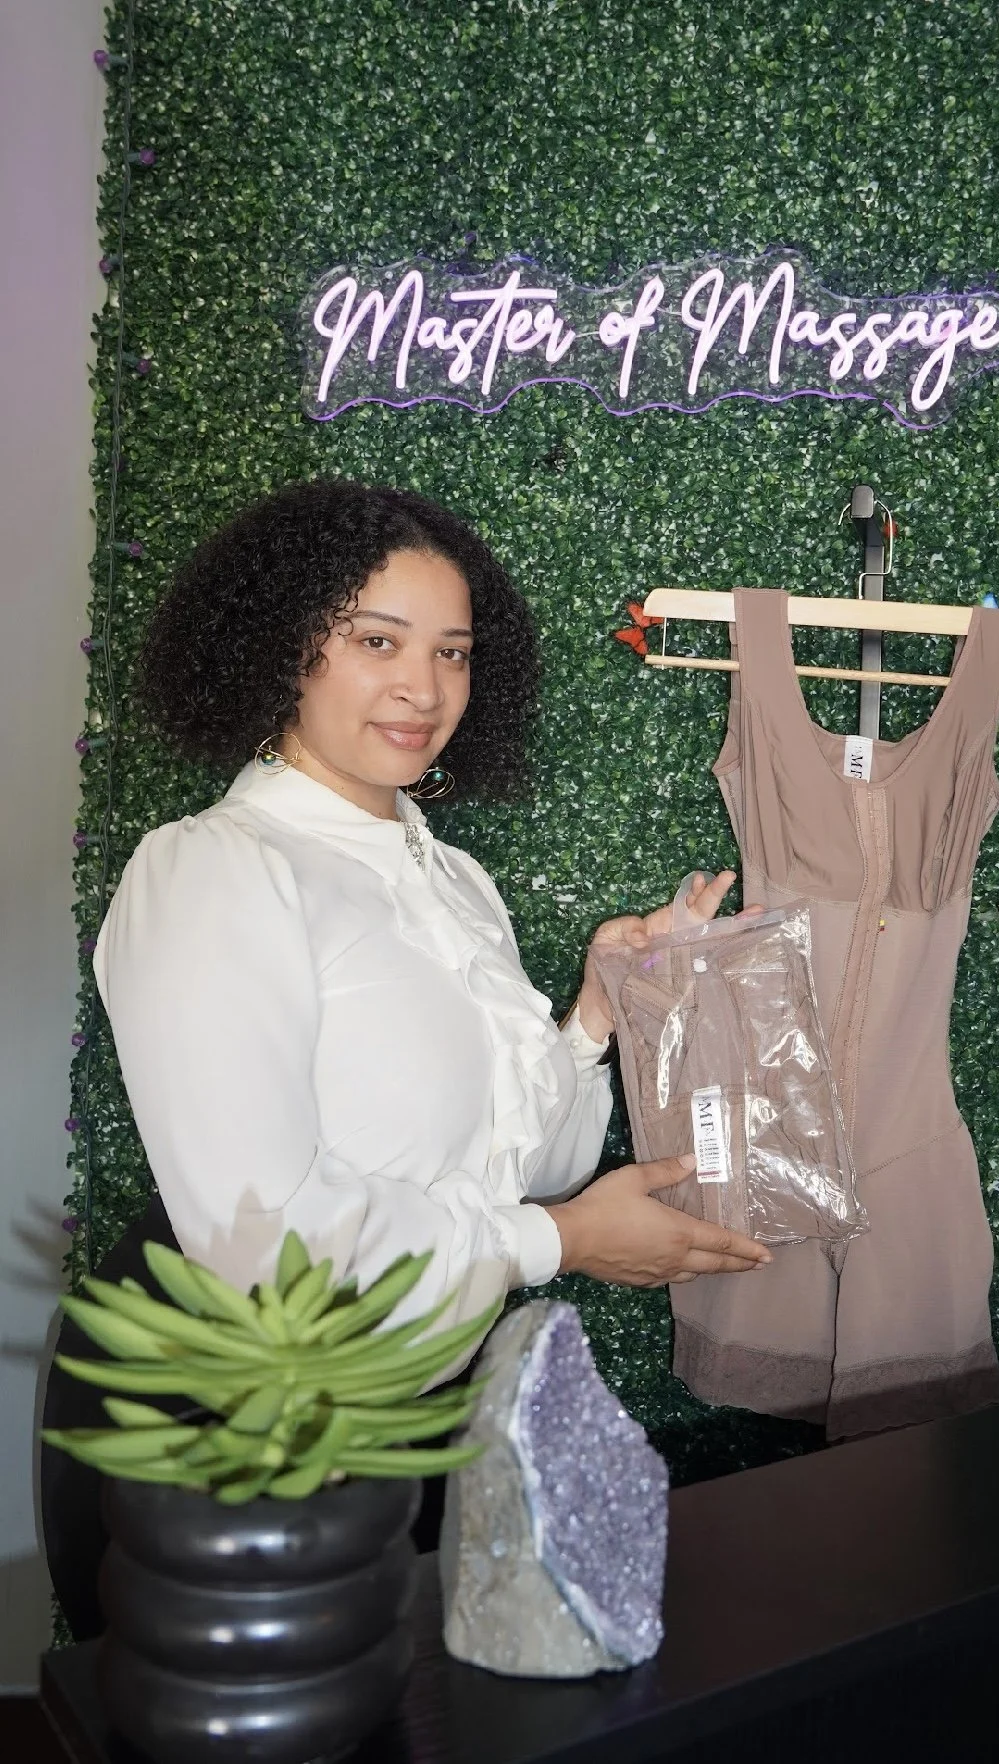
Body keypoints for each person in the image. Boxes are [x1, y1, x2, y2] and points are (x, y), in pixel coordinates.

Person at [42, 480, 770, 1637]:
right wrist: (564, 1242)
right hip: (240, 1434)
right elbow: (260, 1237)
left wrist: (596, 1011)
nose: (423, 689)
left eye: (453, 652)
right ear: (285, 645)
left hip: (423, 1416)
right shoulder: (215, 872)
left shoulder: (455, 880)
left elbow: (524, 1164)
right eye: (377, 641)